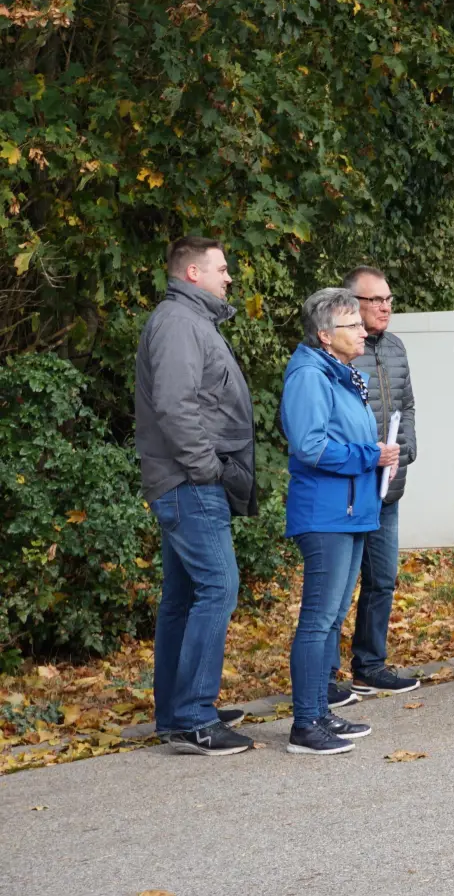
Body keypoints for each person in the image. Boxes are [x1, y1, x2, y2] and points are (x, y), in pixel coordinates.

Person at [136, 236, 258, 756]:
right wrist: (207, 469)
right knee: (219, 587)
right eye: (221, 269)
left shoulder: (191, 320)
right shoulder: (179, 323)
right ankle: (194, 718)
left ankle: (176, 713)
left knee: (183, 598)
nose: (228, 277)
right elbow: (174, 405)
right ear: (192, 273)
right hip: (190, 483)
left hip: (186, 480)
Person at [280, 288, 399, 755]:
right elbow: (309, 446)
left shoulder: (338, 373)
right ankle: (305, 724)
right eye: (352, 325)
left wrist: (378, 461)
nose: (363, 331)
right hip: (325, 513)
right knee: (317, 620)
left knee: (330, 618)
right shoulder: (310, 375)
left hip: (349, 511)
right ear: (325, 335)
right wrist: (370, 456)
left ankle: (319, 711)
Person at [337, 265, 420, 707]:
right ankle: (324, 679)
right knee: (337, 588)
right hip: (350, 488)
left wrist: (408, 449)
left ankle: (369, 667)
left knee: (382, 580)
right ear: (352, 304)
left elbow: (407, 404)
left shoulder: (395, 347)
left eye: (389, 299)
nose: (386, 307)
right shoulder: (339, 351)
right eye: (376, 300)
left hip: (388, 486)